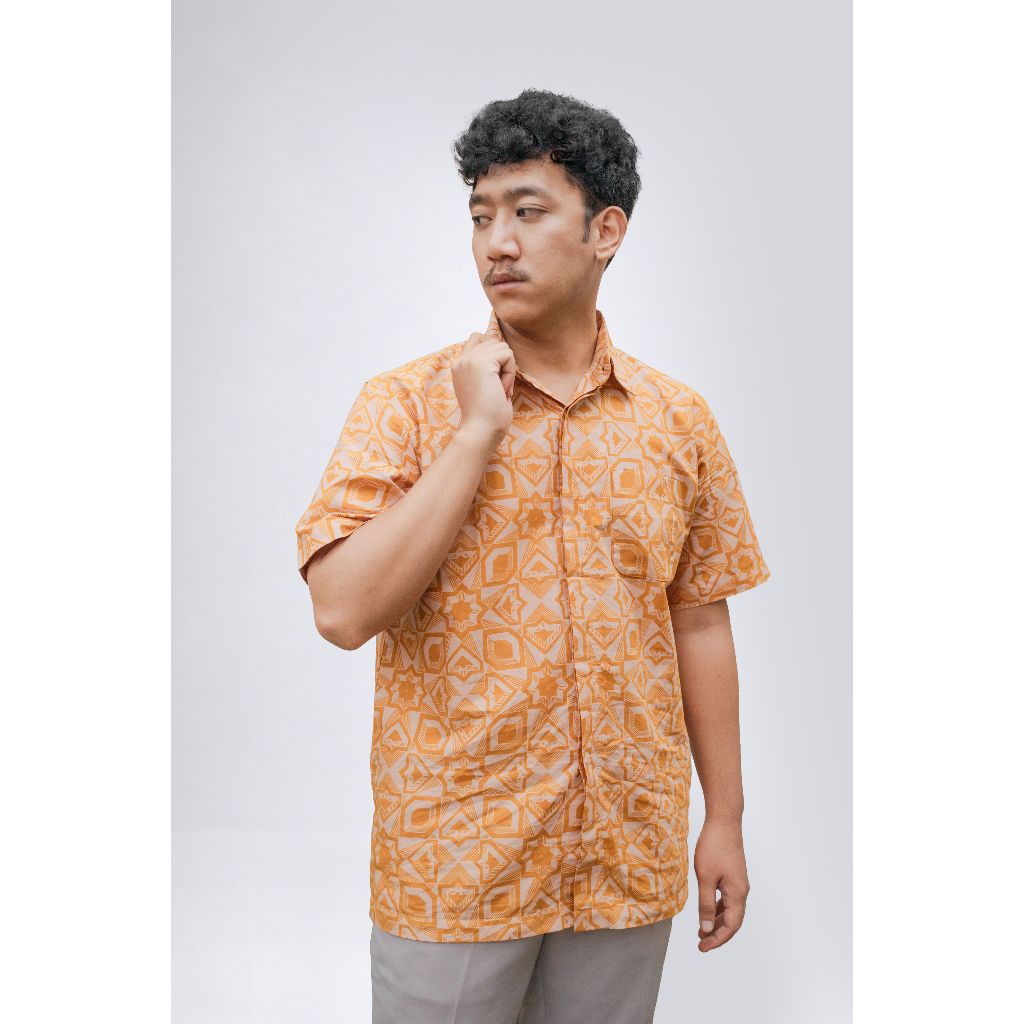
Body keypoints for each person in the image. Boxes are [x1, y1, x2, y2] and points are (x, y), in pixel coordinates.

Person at [295, 88, 772, 1024]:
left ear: (606, 230)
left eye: (527, 211)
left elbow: (700, 622)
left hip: (623, 854)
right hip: (457, 858)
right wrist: (477, 433)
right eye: (480, 216)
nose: (496, 243)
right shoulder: (407, 404)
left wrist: (725, 818)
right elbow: (342, 611)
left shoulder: (678, 420)